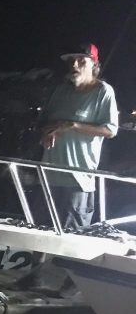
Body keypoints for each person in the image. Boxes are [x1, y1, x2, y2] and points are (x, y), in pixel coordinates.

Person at [39, 42, 118, 230]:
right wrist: (45, 131)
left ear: (94, 64)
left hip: (78, 182)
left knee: (69, 242)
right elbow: (43, 122)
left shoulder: (103, 91)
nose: (74, 65)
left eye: (81, 60)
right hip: (48, 176)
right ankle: (38, 261)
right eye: (71, 61)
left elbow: (110, 130)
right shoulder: (60, 90)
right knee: (38, 233)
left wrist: (74, 125)